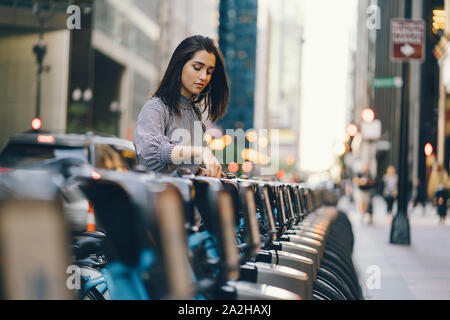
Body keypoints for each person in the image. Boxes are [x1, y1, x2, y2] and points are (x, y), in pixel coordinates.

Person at [134, 35, 229, 178]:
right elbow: (150, 156)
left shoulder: (195, 114)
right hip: (157, 197)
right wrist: (201, 152)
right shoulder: (156, 108)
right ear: (180, 66)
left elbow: (189, 168)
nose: (204, 76)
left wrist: (204, 172)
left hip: (187, 197)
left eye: (209, 72)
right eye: (197, 67)